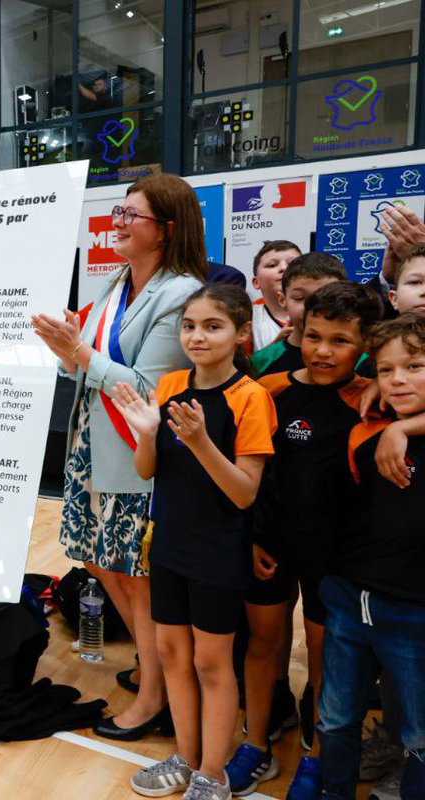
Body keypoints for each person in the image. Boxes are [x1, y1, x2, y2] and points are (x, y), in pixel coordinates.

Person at [32, 173, 206, 742]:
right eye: (119, 210)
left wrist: (78, 350)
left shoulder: (180, 293)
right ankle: (155, 668)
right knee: (106, 567)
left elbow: (146, 389)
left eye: (133, 214)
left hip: (136, 454)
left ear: (167, 228)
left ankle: (155, 697)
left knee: (137, 580)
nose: (119, 221)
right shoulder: (115, 284)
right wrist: (67, 349)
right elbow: (81, 367)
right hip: (89, 446)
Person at [111, 284, 276, 800]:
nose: (197, 336)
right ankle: (185, 755)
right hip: (169, 544)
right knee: (170, 652)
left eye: (212, 326)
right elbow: (149, 472)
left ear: (241, 333)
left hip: (217, 549)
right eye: (189, 326)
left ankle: (214, 771)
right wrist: (144, 437)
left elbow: (245, 493)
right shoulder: (171, 385)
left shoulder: (251, 398)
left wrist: (202, 442)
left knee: (210, 662)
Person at [226, 282, 383, 796]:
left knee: (322, 656)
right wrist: (250, 538)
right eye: (314, 336)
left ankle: (315, 756)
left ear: (365, 345)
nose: (321, 350)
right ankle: (255, 744)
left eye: (339, 341)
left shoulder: (370, 399)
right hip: (269, 544)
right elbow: (246, 472)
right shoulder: (268, 390)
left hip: (333, 557)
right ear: (298, 332)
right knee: (263, 645)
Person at [317, 313, 425, 800]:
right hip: (347, 598)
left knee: (420, 736)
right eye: (386, 369)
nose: (398, 379)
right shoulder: (369, 419)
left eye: (415, 366)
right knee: (336, 718)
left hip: (413, 611)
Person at [251, 253, 349, 376]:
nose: (312, 307)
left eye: (326, 297)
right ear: (282, 300)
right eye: (300, 298)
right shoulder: (261, 361)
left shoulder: (359, 358)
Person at [250, 241, 301, 352]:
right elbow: (244, 366)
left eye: (292, 264)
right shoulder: (247, 318)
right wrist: (277, 346)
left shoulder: (320, 314)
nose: (284, 268)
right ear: (256, 282)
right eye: (272, 265)